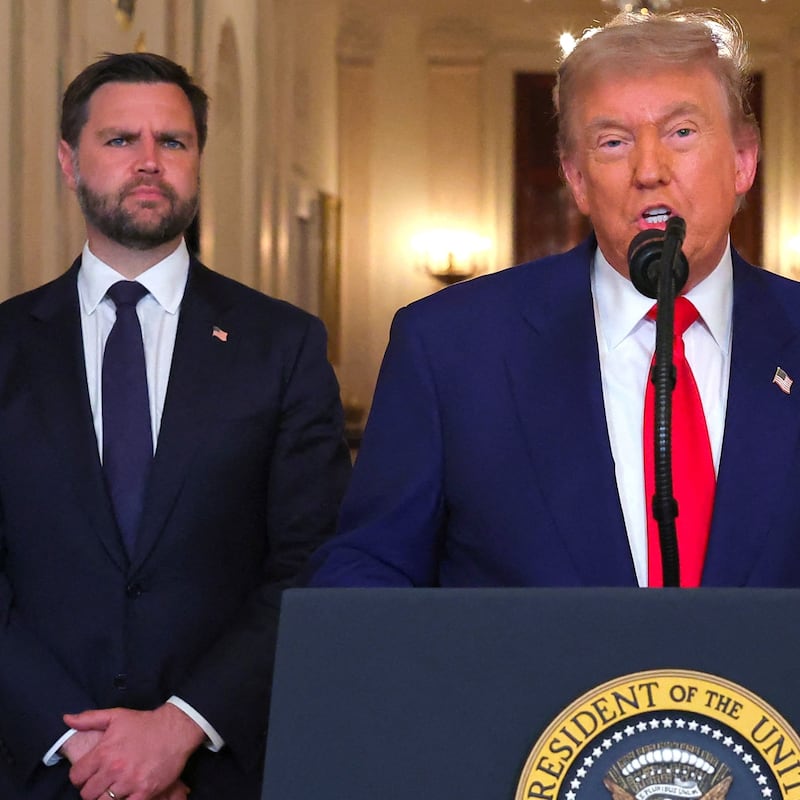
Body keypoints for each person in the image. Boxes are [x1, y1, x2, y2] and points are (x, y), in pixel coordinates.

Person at [307, 9, 800, 590]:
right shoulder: (450, 349)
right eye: (613, 142)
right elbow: (368, 569)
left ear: (743, 162)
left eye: (681, 132)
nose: (649, 169)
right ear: (577, 179)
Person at [0, 53, 351, 800]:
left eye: (175, 142)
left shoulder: (281, 345)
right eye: (121, 140)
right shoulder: (4, 346)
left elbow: (312, 560)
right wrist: (75, 741)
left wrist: (181, 725)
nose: (150, 163)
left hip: (224, 768)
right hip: (31, 762)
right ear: (69, 161)